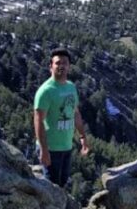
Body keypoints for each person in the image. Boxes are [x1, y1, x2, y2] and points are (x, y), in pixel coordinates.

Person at [34, 48, 90, 189]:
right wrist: (44, 149)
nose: (61, 66)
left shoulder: (70, 87)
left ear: (69, 66)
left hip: (66, 146)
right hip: (51, 149)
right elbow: (38, 121)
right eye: (58, 63)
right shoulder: (46, 91)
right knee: (51, 188)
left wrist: (83, 136)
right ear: (50, 66)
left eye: (65, 63)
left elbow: (75, 113)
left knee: (62, 184)